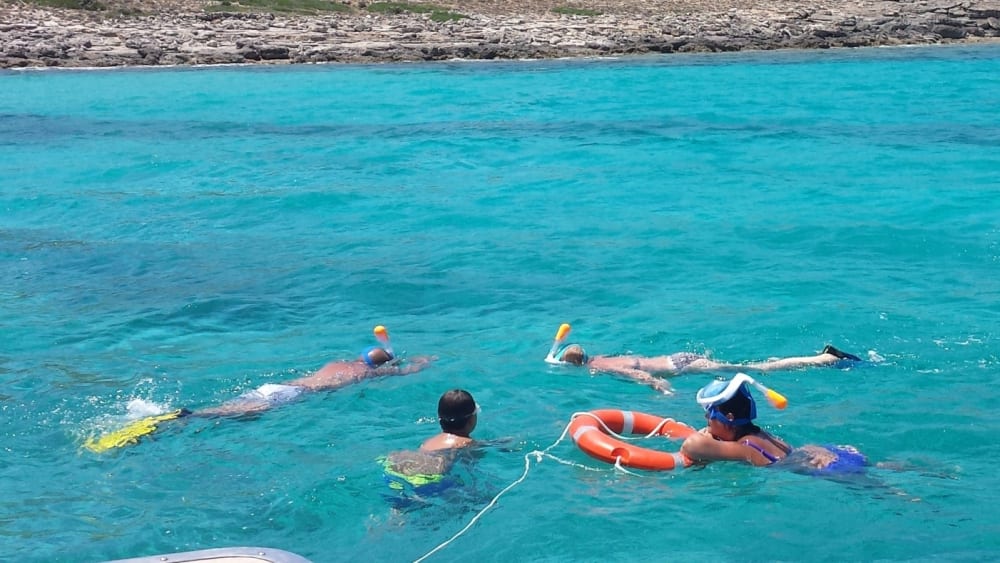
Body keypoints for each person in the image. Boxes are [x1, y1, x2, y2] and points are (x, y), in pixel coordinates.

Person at [679, 375, 867, 473]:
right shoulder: (759, 435)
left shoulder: (746, 448)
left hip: (829, 469)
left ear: (729, 417)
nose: (706, 420)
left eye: (709, 415)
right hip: (830, 454)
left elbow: (691, 446)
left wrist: (706, 436)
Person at [193, 346, 433, 417]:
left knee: (232, 405)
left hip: (279, 386)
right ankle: (188, 416)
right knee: (238, 413)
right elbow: (406, 371)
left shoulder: (337, 363)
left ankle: (191, 415)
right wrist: (423, 361)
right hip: (293, 394)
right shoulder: (366, 373)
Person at [551, 342, 862, 394]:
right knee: (751, 365)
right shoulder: (604, 357)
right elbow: (637, 360)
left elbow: (638, 374)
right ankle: (820, 358)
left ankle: (826, 359)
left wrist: (661, 387)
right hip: (678, 356)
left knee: (759, 370)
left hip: (681, 368)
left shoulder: (601, 369)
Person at [381, 389, 480, 506]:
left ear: (439, 418)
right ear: (471, 420)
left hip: (398, 469)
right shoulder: (466, 443)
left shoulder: (430, 441)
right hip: (430, 480)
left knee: (402, 505)